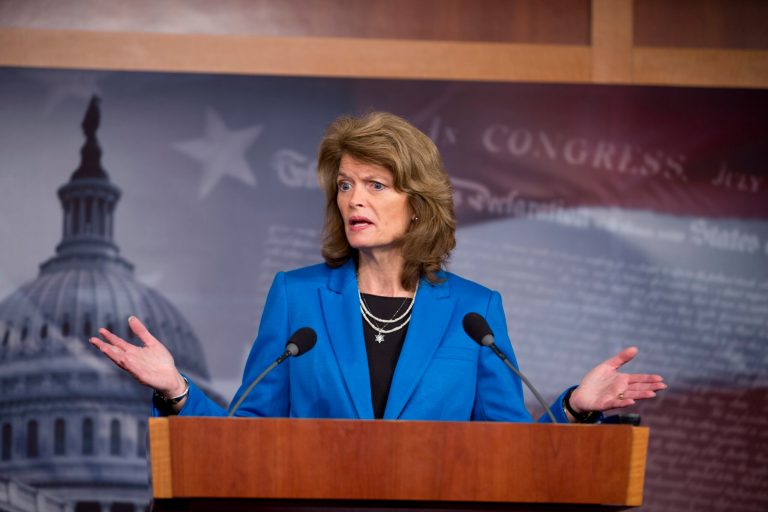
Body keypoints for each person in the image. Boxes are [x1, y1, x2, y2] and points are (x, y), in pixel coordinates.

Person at [90, 111, 665, 422]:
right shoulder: (297, 297)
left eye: (374, 184)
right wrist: (176, 390)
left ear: (418, 203)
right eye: (344, 185)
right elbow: (248, 434)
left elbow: (509, 449)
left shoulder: (473, 311)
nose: (352, 200)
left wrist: (572, 407)